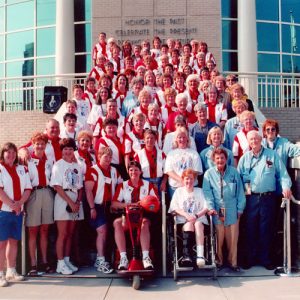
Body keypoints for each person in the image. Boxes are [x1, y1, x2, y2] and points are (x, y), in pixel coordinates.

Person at [237, 131, 292, 270]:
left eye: (256, 138)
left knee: (266, 229)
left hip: (268, 198)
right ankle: (250, 259)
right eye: (251, 139)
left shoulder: (272, 155)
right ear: (248, 142)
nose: (254, 141)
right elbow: (238, 180)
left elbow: (283, 174)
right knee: (250, 230)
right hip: (250, 199)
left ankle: (266, 259)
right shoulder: (245, 158)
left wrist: (286, 187)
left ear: (261, 139)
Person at [203, 148, 245, 271]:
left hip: (232, 208)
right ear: (213, 160)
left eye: (222, 158)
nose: (220, 160)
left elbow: (240, 192)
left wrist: (240, 208)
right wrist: (210, 207)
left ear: (226, 159)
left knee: (233, 238)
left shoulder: (234, 172)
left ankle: (233, 263)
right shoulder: (209, 174)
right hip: (217, 209)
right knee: (218, 238)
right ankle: (219, 262)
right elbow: (207, 192)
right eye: (217, 158)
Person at [111, 161, 158, 270]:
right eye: (131, 170)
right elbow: (114, 203)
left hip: (143, 217)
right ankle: (123, 258)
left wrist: (145, 205)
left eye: (136, 170)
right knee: (117, 223)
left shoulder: (148, 185)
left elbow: (156, 204)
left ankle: (146, 257)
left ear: (141, 172)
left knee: (145, 223)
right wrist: (129, 205)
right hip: (128, 217)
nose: (133, 172)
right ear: (128, 171)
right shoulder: (122, 185)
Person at [85, 147, 122, 273]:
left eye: (110, 157)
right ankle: (100, 260)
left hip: (109, 206)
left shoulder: (114, 171)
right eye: (105, 157)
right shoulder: (93, 171)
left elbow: (120, 186)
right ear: (99, 156)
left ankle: (103, 257)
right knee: (101, 230)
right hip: (97, 205)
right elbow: (88, 190)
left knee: (108, 232)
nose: (108, 159)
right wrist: (92, 208)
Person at [50, 138, 84, 275]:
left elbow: (80, 187)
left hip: (75, 200)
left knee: (70, 234)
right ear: (62, 150)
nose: (68, 151)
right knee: (62, 234)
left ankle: (66, 259)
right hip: (63, 199)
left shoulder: (77, 166)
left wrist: (77, 203)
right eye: (65, 149)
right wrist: (70, 202)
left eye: (70, 148)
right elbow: (57, 186)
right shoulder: (58, 165)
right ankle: (60, 263)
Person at [0, 142, 32, 287]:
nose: (11, 155)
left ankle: (11, 270)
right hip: (3, 212)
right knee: (1, 243)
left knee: (14, 241)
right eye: (8, 152)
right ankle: (0, 273)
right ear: (3, 154)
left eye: (14, 152)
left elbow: (27, 189)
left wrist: (19, 204)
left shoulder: (23, 169)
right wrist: (12, 204)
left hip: (18, 211)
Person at [26, 133, 55, 275]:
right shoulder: (28, 159)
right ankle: (33, 264)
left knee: (44, 230)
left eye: (42, 143)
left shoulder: (49, 160)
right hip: (34, 193)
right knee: (33, 231)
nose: (40, 146)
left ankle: (44, 262)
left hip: (47, 193)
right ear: (32, 144)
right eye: (37, 143)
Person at [169, 169, 208, 267]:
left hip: (200, 221)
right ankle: (186, 255)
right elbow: (174, 208)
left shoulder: (200, 191)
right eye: (187, 179)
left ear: (194, 180)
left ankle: (200, 255)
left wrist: (196, 216)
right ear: (183, 179)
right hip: (183, 222)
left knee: (198, 224)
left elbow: (207, 207)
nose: (189, 181)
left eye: (191, 179)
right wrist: (186, 215)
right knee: (189, 224)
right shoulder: (178, 192)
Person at [164, 127, 203, 198]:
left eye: (184, 137)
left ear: (187, 138)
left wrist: (188, 181)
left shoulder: (194, 153)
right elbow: (169, 171)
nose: (182, 139)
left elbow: (197, 170)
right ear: (176, 139)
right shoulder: (171, 154)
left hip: (191, 187)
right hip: (175, 188)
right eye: (179, 137)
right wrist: (182, 180)